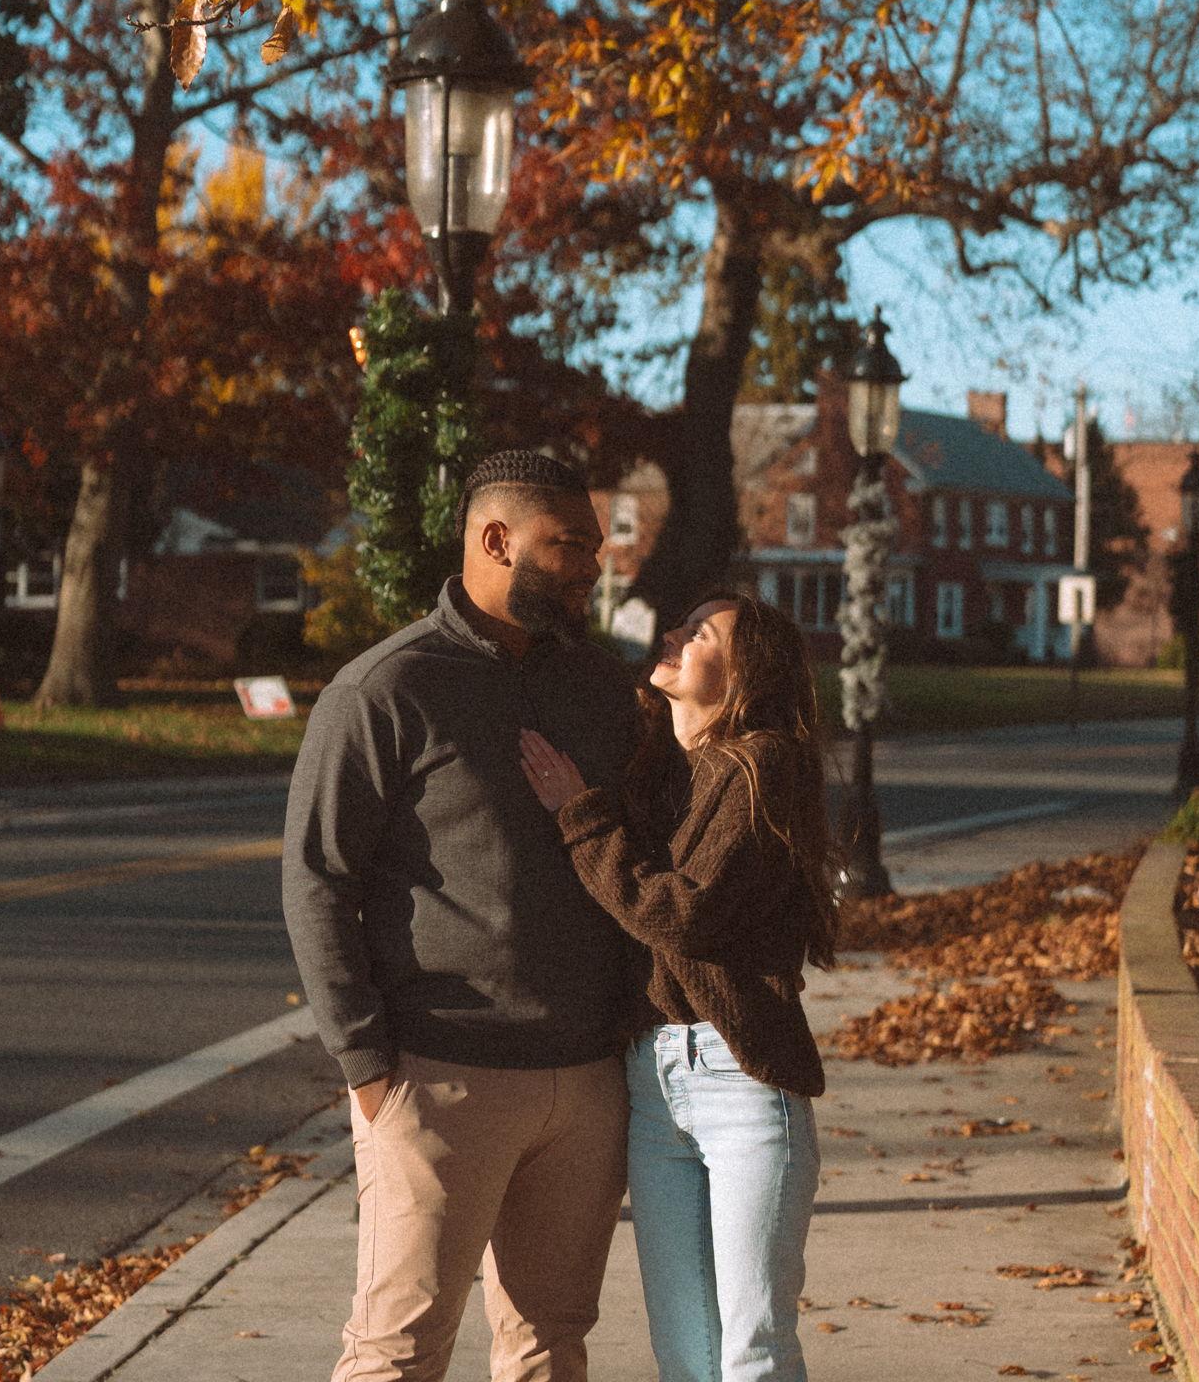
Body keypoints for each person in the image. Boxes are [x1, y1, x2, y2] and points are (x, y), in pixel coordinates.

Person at [282, 449, 640, 1382]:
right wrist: (367, 1066)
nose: (593, 567)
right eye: (570, 546)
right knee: (397, 1354)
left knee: (551, 1345)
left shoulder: (603, 691)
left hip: (587, 1082)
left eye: (595, 548)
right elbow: (318, 879)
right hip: (439, 1077)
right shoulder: (384, 691)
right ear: (496, 540)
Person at [519, 592, 836, 1382]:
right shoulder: (666, 771)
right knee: (686, 1357)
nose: (674, 633)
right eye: (682, 624)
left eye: (702, 632)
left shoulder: (764, 764)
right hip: (653, 1083)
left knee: (751, 1352)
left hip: (741, 1083)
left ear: (745, 670)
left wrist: (581, 818)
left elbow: (681, 914)